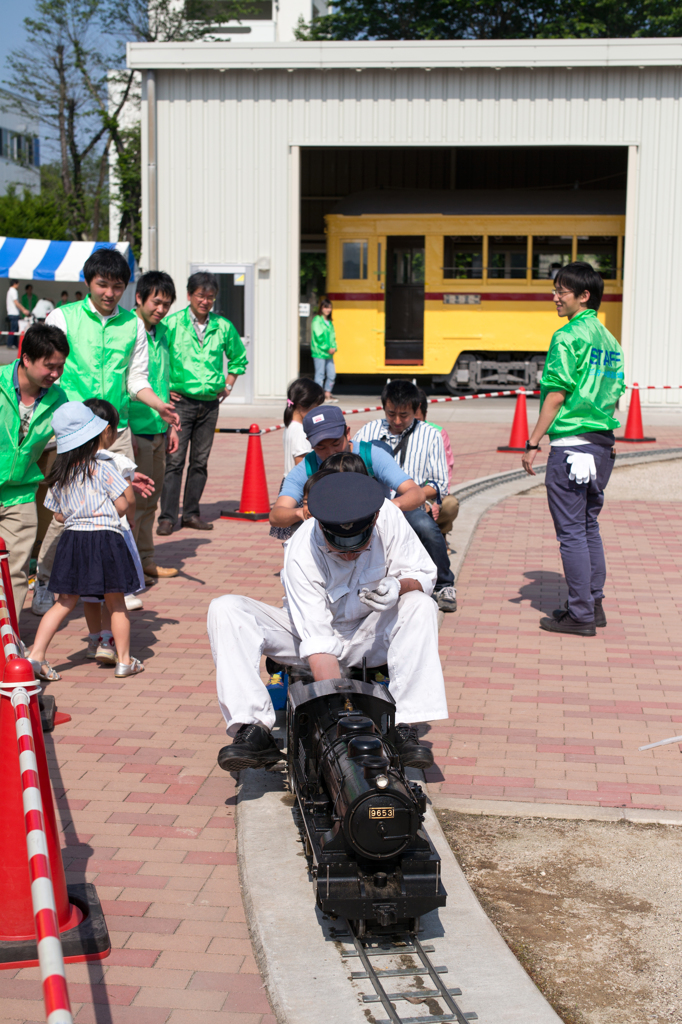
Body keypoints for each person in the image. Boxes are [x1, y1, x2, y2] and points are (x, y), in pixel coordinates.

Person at [210, 471, 448, 771]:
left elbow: (425, 574)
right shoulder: (301, 547)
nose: (349, 555)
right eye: (338, 545)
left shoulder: (389, 517)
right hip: (307, 640)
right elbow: (318, 642)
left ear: (374, 520)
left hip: (368, 634)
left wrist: (400, 587)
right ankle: (253, 728)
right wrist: (341, 724)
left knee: (421, 605)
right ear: (321, 525)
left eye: (358, 546)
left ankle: (403, 726)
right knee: (226, 608)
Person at [33, 248, 178, 615]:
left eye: (117, 286)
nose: (109, 293)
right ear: (87, 282)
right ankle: (45, 582)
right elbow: (47, 371)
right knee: (64, 511)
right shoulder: (62, 318)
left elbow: (136, 379)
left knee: (120, 508)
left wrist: (157, 404)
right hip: (68, 431)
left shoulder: (132, 325)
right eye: (102, 285)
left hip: (117, 431)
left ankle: (117, 584)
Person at [522, 261, 625, 636]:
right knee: (588, 526)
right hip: (602, 446)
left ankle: (580, 613)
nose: (554, 298)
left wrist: (533, 441)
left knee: (571, 533)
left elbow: (556, 393)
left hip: (570, 446)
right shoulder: (610, 341)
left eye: (560, 292)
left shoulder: (567, 337)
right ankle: (593, 603)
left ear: (584, 296)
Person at [26, 402, 143, 682]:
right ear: (93, 438)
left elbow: (57, 515)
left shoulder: (59, 475)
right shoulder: (104, 468)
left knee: (65, 601)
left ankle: (36, 655)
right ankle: (125, 661)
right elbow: (124, 503)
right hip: (106, 538)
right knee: (116, 602)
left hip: (72, 540)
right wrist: (105, 513)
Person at [353, 380, 458, 613]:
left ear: (416, 409)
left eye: (405, 415)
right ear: (384, 408)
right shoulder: (368, 431)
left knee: (428, 530)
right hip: (373, 501)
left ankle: (444, 584)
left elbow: (439, 484)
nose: (397, 421)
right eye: (391, 414)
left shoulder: (431, 435)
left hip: (409, 505)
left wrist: (409, 498)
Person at [157, 271, 248, 534]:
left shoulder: (223, 326)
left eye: (210, 297)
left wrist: (228, 384)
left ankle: (192, 514)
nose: (205, 301)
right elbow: (157, 360)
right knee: (174, 461)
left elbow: (238, 358)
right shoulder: (172, 324)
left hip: (210, 404)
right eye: (200, 295)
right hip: (180, 402)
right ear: (189, 295)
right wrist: (164, 393)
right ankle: (167, 516)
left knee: (200, 461)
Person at [269, 405, 426, 535]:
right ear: (309, 443)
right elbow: (276, 515)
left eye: (336, 443)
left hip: (375, 531)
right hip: (329, 535)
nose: (330, 452)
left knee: (425, 527)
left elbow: (416, 493)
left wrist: (389, 507)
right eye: (321, 447)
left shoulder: (371, 455)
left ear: (348, 432)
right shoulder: (306, 467)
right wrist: (300, 512)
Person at [0, 323, 69, 615]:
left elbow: (75, 443)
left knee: (15, 570)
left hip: (21, 492)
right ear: (26, 359)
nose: (55, 374)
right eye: (49, 366)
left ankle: (8, 639)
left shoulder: (58, 398)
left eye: (60, 367)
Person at [129, 271, 179, 580]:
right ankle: (131, 566)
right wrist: (126, 431)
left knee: (151, 500)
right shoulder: (128, 330)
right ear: (139, 298)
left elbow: (164, 381)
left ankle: (145, 559)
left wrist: (170, 424)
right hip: (136, 427)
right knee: (134, 502)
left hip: (159, 426)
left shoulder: (162, 333)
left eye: (167, 304)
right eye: (156, 302)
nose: (161, 309)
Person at [415, 387, 459, 539]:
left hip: (430, 493)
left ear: (425, 414)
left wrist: (435, 502)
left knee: (450, 504)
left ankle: (441, 533)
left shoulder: (438, 433)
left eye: (418, 420)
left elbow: (446, 473)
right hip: (404, 495)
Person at [311, 298, 337, 401]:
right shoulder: (317, 320)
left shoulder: (329, 322)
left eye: (329, 307)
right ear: (321, 308)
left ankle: (327, 393)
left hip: (329, 353)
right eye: (325, 307)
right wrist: (327, 348)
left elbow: (333, 337)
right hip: (319, 352)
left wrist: (334, 347)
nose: (327, 309)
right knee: (320, 375)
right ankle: (318, 396)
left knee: (332, 374)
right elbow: (319, 337)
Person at [6, 280, 28, 348]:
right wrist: (23, 310)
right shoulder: (13, 291)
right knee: (14, 329)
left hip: (11, 312)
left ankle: (14, 344)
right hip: (14, 313)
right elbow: (16, 302)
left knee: (14, 329)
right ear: (15, 284)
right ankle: (10, 344)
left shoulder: (10, 291)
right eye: (18, 284)